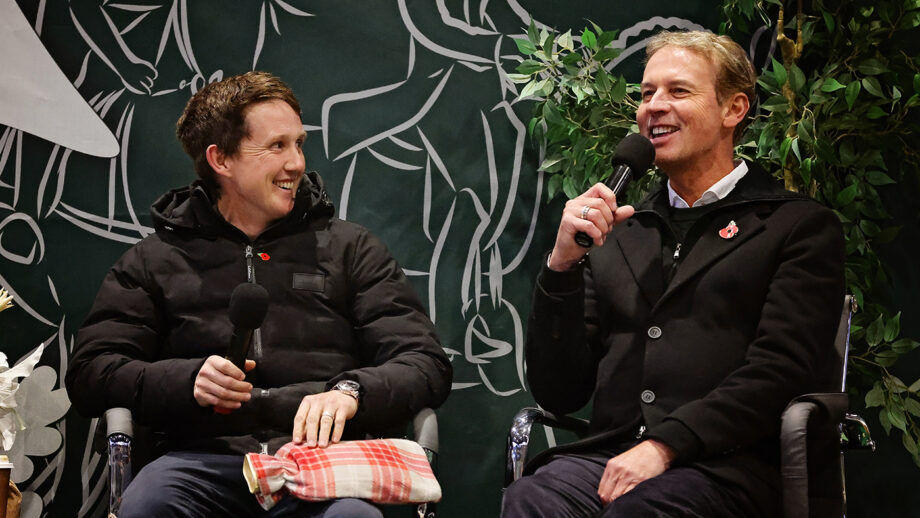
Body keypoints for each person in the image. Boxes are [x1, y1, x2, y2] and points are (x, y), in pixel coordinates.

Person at [65, 71, 453, 518]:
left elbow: (425, 364)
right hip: (199, 462)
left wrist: (350, 391)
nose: (297, 164)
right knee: (148, 506)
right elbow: (91, 373)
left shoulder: (351, 248)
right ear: (221, 160)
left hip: (323, 463)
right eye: (276, 147)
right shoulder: (154, 260)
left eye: (298, 144)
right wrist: (186, 379)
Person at [501, 30, 845, 518]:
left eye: (678, 91)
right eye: (646, 94)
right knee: (534, 494)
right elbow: (560, 391)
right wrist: (561, 268)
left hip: (729, 467)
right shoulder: (621, 232)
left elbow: (781, 371)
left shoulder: (796, 227)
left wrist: (667, 445)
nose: (653, 107)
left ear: (734, 109)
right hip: (611, 457)